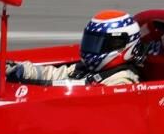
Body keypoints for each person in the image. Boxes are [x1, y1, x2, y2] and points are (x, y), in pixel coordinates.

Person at [7, 10, 142, 85]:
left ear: (122, 44)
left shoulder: (122, 81)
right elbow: (54, 74)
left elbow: (88, 96)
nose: (92, 48)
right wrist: (21, 70)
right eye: (91, 41)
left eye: (99, 43)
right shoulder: (85, 69)